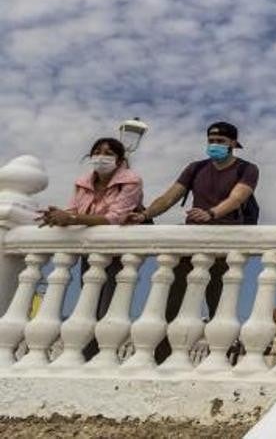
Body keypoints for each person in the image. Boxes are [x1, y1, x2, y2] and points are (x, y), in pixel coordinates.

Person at [138, 121, 259, 362]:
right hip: (191, 241)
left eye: (221, 142)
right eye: (211, 140)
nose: (215, 145)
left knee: (219, 301)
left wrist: (212, 213)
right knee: (174, 299)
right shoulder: (195, 168)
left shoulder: (247, 169)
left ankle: (220, 358)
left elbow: (238, 197)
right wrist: (144, 215)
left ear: (233, 144)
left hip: (225, 242)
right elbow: (170, 197)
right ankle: (162, 357)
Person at [40, 137, 143, 360]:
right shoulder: (82, 182)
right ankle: (84, 352)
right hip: (90, 251)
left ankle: (99, 354)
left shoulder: (131, 181)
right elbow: (74, 208)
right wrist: (57, 216)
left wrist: (71, 218)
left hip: (117, 251)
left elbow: (115, 217)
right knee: (88, 301)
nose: (101, 157)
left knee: (108, 305)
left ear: (120, 160)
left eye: (108, 153)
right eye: (97, 152)